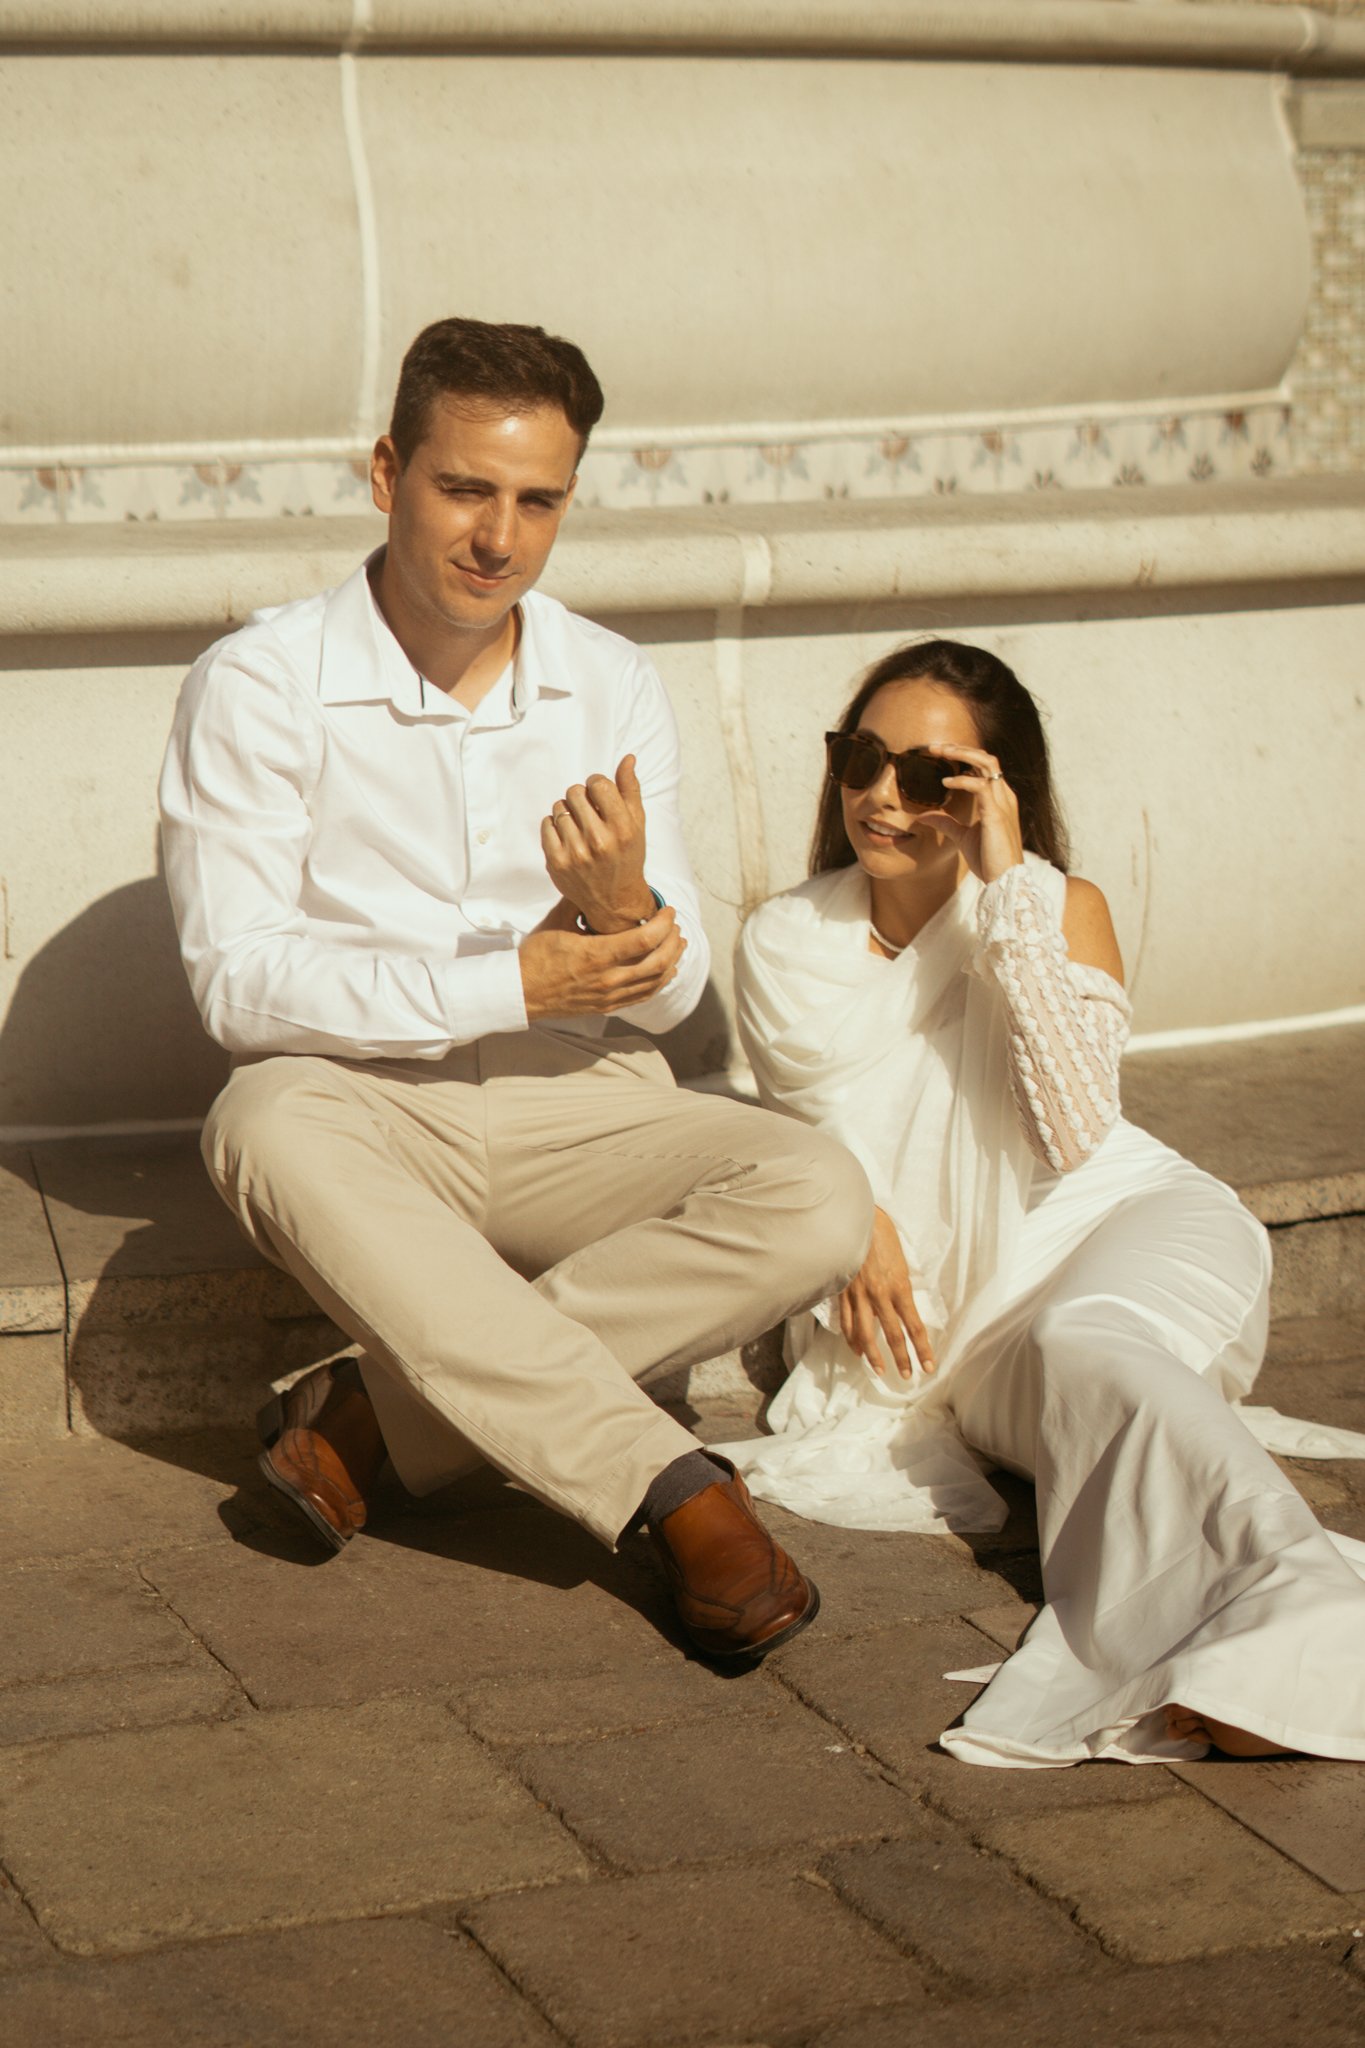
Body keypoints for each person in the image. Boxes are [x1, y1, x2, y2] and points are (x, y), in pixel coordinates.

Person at [159, 316, 873, 1663]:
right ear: (387, 472)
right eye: (465, 489)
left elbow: (675, 1006)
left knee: (820, 1194)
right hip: (362, 1109)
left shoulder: (608, 681)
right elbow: (237, 984)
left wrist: (629, 918)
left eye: (539, 500)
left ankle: (379, 1421)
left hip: (581, 1103)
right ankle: (671, 1490)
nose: (500, 536)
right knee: (255, 1121)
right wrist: (511, 978)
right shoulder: (258, 684)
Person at [726, 637, 1365, 1762]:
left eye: (929, 776)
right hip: (967, 1326)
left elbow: (1075, 1127)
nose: (881, 796)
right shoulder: (786, 938)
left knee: (1094, 1337)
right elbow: (813, 1123)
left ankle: (1301, 1626)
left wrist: (1010, 885)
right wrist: (850, 1212)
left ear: (993, 790)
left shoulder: (1055, 905)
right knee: (1072, 1363)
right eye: (861, 756)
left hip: (1124, 1217)